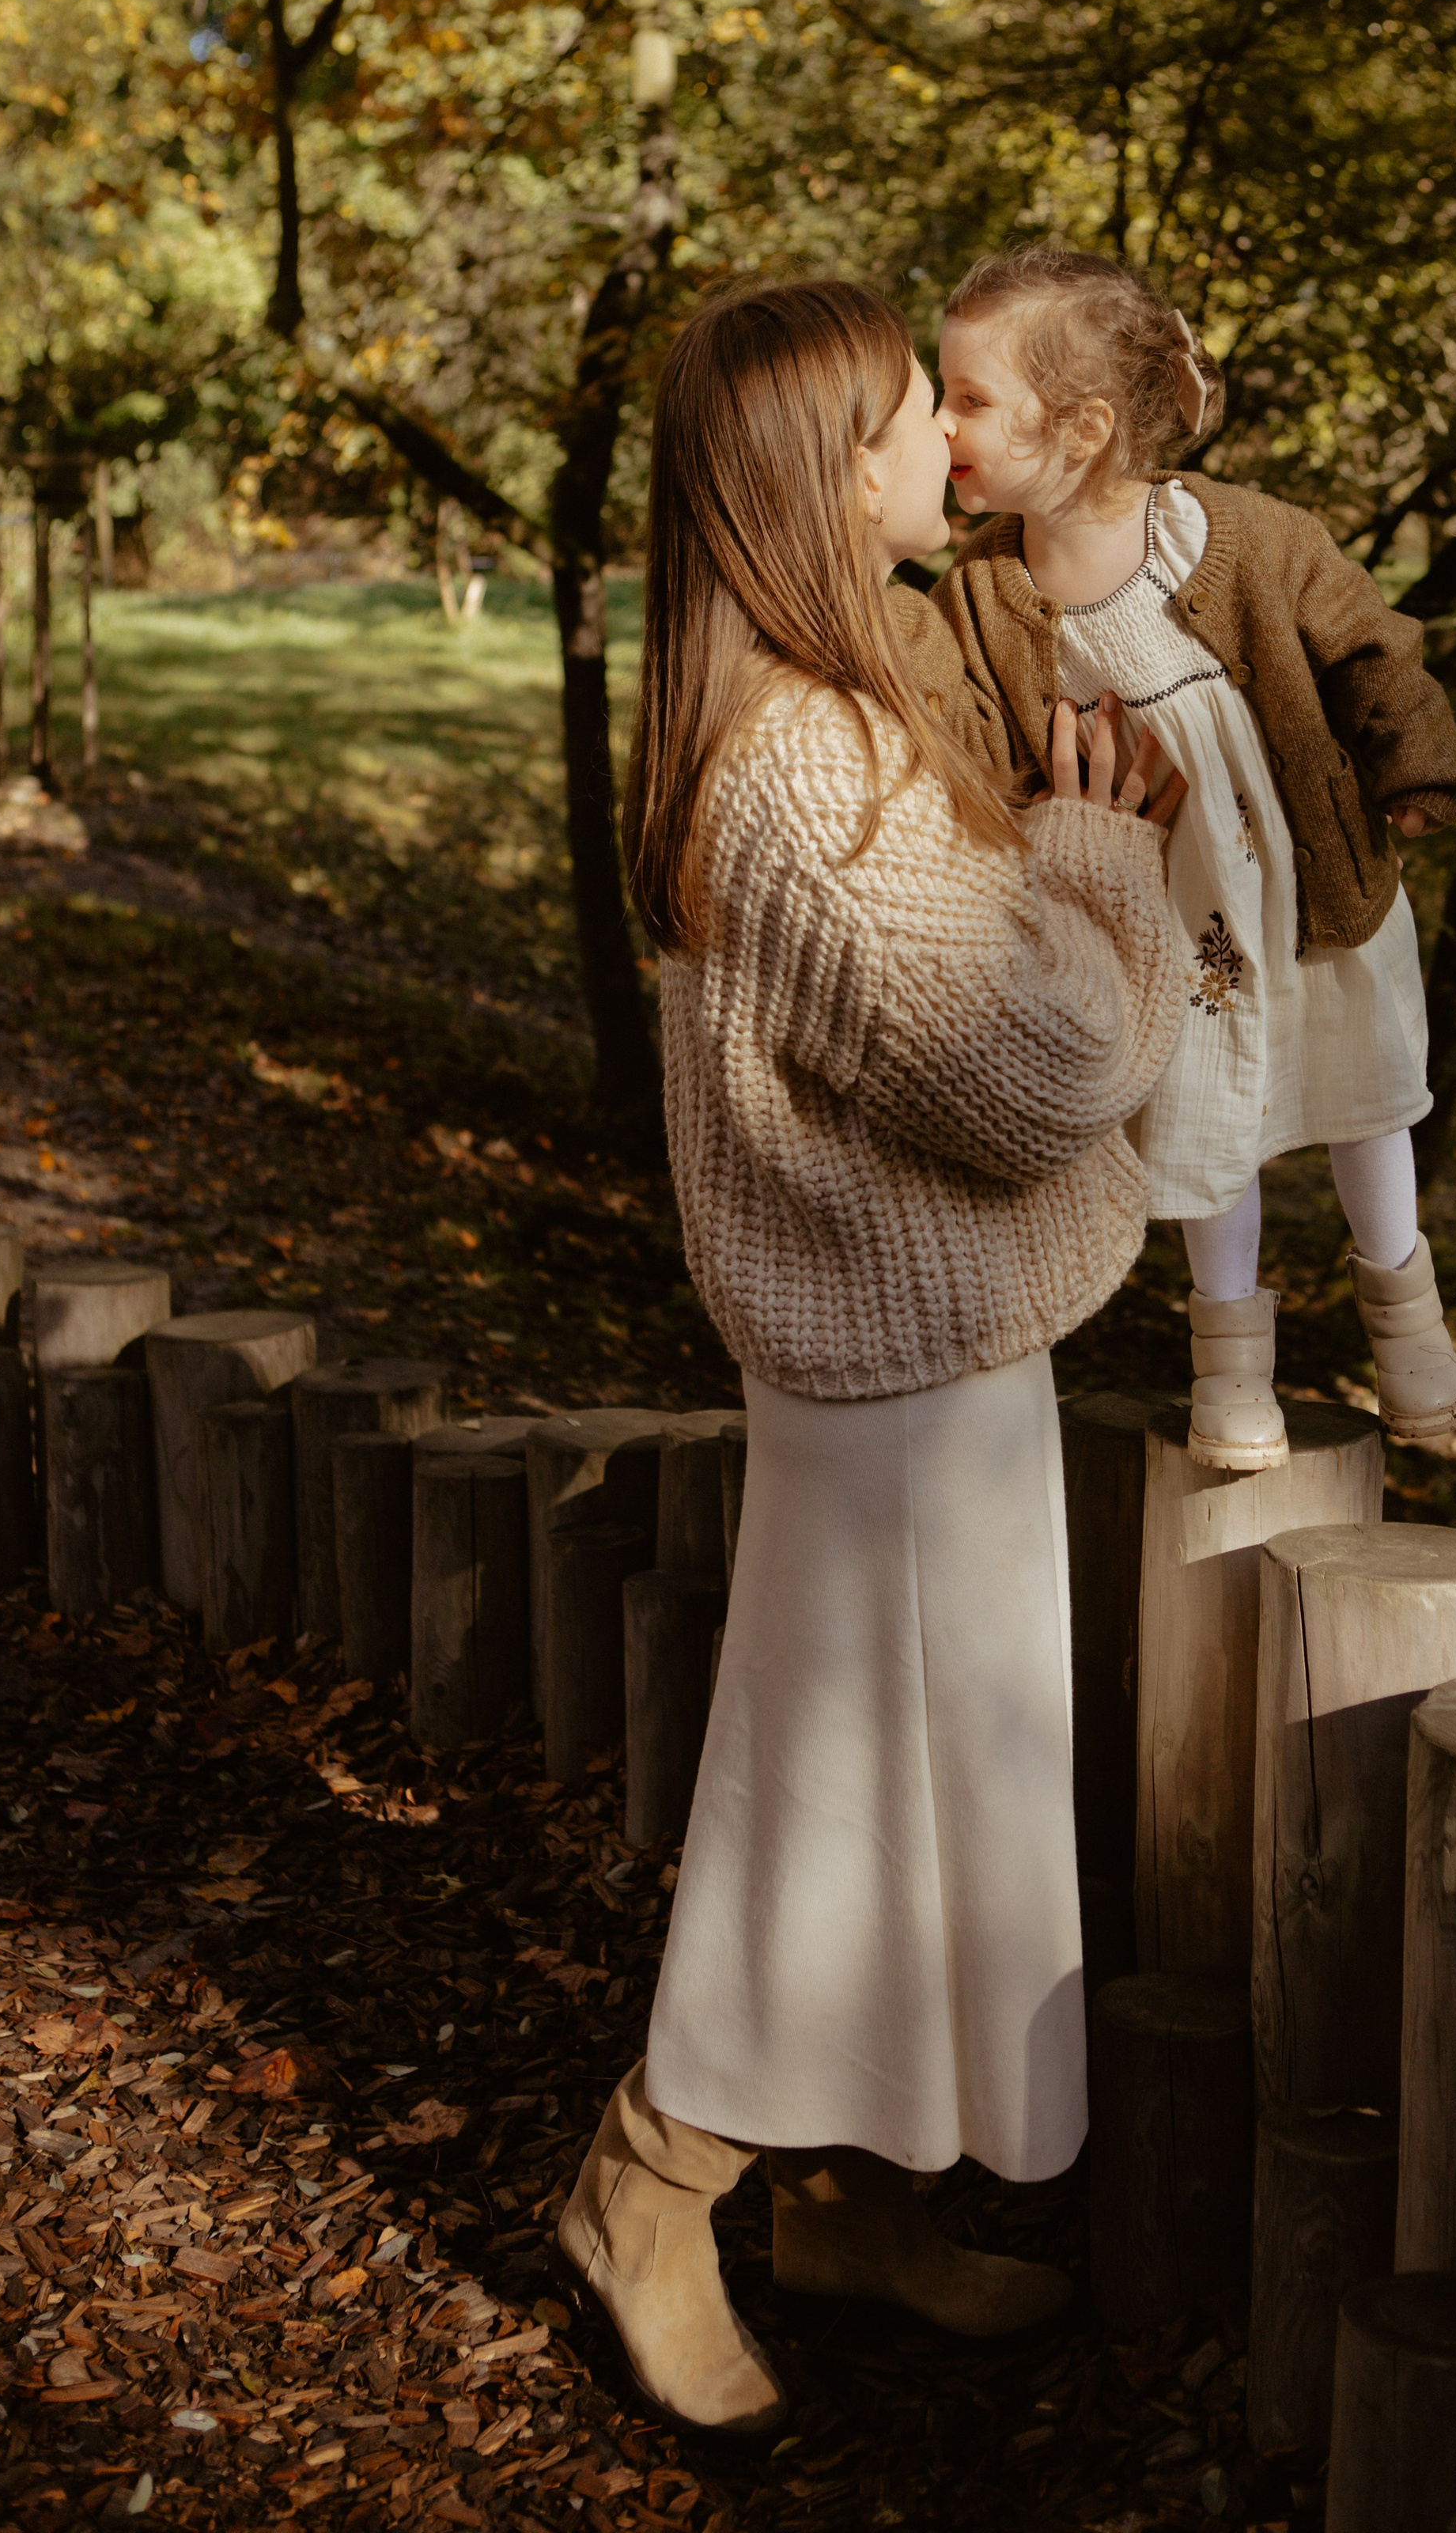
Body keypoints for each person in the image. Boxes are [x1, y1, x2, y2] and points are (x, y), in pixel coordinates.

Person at [554, 278, 1186, 2433]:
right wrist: (1107, 854)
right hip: (891, 1396)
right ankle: (650, 2184)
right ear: (825, 469)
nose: (953, 450)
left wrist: (1051, 873)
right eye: (919, 418)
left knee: (944, 1797)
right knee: (836, 1811)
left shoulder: (829, 710)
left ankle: (848, 2191)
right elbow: (1031, 1072)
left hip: (921, 1367)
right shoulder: (799, 766)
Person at [931, 238, 1456, 1467]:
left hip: (1309, 878)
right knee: (1199, 1114)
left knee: (1364, 1089)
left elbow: (1365, 644)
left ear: (1078, 430)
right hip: (1160, 912)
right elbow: (964, 737)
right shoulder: (980, 596)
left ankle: (1405, 1313)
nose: (940, 422)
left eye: (968, 398)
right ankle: (1232, 1365)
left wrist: (1414, 762)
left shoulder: (1243, 538)